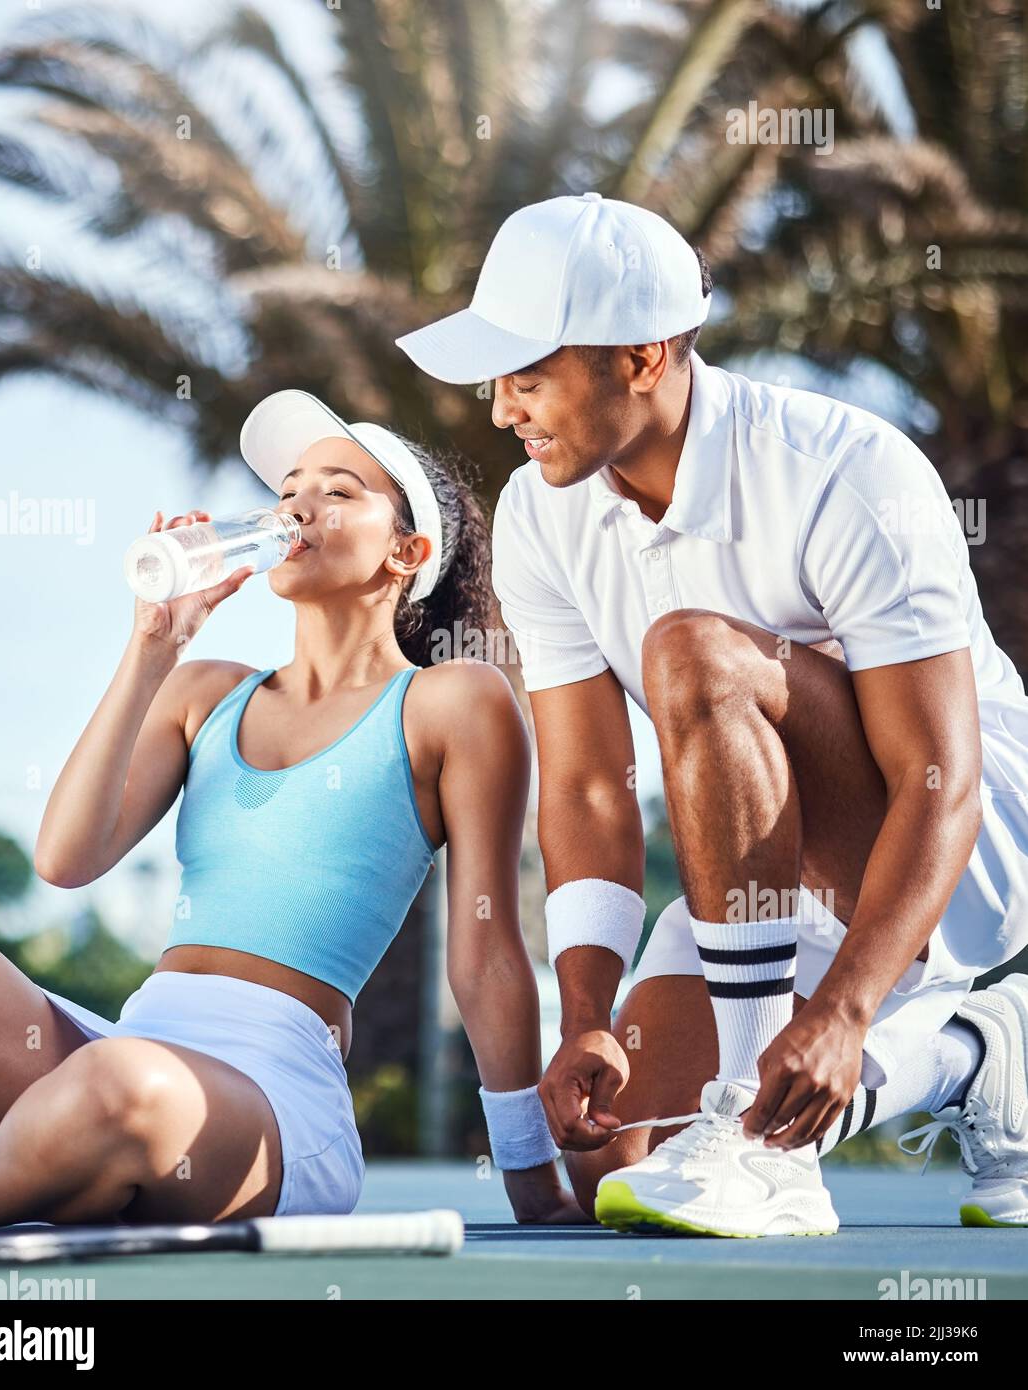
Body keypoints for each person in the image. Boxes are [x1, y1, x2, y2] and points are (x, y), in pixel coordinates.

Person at [395, 192, 1028, 1236]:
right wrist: (586, 1015)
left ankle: (759, 1132)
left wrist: (841, 1010)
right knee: (614, 1150)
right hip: (763, 865)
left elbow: (937, 777)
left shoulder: (850, 470)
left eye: (528, 375)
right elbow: (592, 784)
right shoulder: (536, 512)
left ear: (641, 358)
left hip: (964, 838)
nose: (500, 409)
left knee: (692, 649)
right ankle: (971, 1058)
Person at [0, 391, 579, 1231]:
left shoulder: (451, 701)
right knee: (102, 1070)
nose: (297, 508)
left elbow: (487, 953)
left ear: (406, 551)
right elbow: (65, 859)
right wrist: (151, 650)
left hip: (268, 1108)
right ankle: (37, 1169)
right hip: (118, 1056)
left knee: (121, 1090)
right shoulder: (204, 692)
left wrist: (530, 1175)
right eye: (288, 491)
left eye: (340, 491)